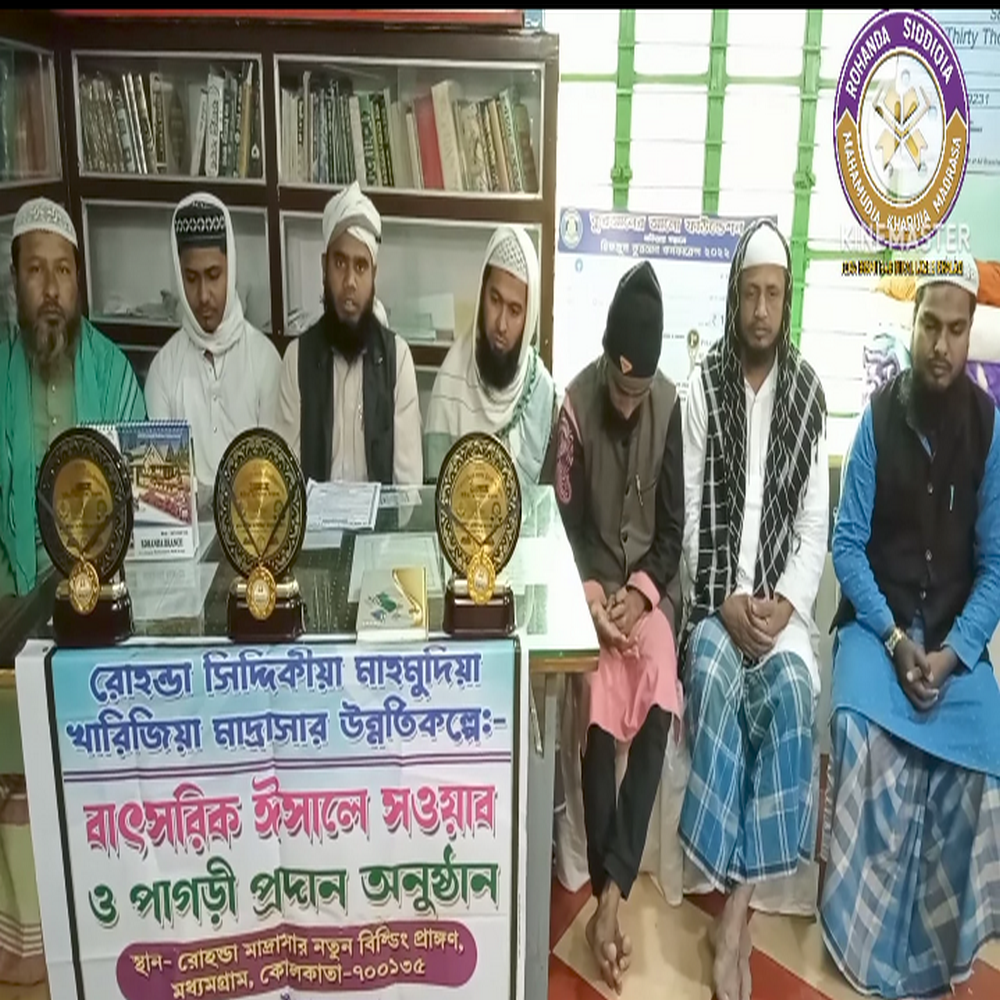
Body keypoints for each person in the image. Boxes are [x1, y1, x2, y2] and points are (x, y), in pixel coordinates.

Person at [822, 257, 1000, 1000]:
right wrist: (896, 642)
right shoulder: (877, 418)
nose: (941, 345)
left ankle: (937, 951)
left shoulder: (990, 428)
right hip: (880, 628)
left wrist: (954, 653)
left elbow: (995, 565)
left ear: (969, 333)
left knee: (986, 757)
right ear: (913, 322)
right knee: (857, 731)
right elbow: (847, 545)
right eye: (931, 325)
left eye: (956, 330)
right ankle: (860, 941)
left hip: (953, 639)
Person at [679, 218, 828, 1000]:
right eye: (751, 294)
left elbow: (813, 529)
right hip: (715, 603)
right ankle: (730, 918)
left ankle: (734, 915)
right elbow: (688, 514)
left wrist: (782, 607)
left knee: (795, 698)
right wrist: (726, 603)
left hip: (781, 614)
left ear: (787, 300)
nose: (761, 310)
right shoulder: (702, 387)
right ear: (735, 298)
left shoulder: (809, 393)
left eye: (774, 295)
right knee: (713, 682)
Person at [550, 261, 683, 994]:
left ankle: (609, 896)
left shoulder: (670, 406)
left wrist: (641, 594)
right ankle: (613, 893)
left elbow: (673, 531)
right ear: (607, 361)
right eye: (621, 389)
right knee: (598, 693)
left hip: (646, 597)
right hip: (592, 592)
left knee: (660, 684)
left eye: (640, 393)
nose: (629, 405)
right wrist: (596, 600)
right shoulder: (574, 407)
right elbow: (560, 524)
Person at [0, 197, 146, 598]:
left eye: (63, 270)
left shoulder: (113, 373)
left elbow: (142, 507)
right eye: (35, 270)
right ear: (14, 278)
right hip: (11, 601)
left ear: (77, 278)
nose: (51, 289)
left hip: (105, 595)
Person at [273, 181, 422, 486]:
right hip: (314, 518)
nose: (350, 281)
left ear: (374, 275)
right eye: (340, 263)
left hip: (379, 519)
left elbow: (408, 489)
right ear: (324, 267)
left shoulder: (397, 360)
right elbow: (285, 481)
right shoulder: (297, 359)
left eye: (361, 266)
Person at [144, 193, 281, 492]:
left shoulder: (265, 361)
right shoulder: (163, 371)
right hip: (187, 523)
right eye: (191, 279)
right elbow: (162, 494)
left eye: (214, 275)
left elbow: (274, 479)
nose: (203, 295)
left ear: (231, 270)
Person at [424, 224, 555, 486]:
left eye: (515, 310)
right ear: (482, 294)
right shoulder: (451, 381)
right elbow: (435, 496)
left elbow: (544, 500)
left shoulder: (541, 392)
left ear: (529, 317)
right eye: (495, 300)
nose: (501, 325)